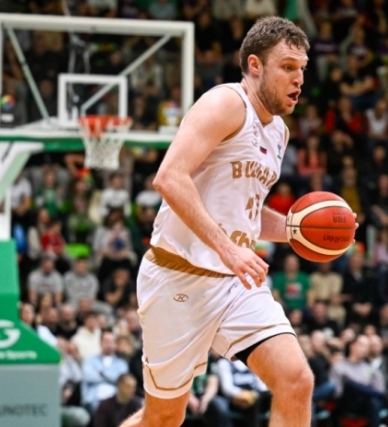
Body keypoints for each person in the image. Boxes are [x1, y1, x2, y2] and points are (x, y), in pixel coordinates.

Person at [120, 17, 313, 427]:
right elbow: (169, 177)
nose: (298, 79)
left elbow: (244, 212)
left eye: (302, 69)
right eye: (287, 67)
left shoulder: (278, 132)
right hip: (177, 280)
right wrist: (229, 249)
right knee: (163, 419)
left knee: (296, 381)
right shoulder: (226, 103)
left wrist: (298, 230)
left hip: (234, 284)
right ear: (255, 66)